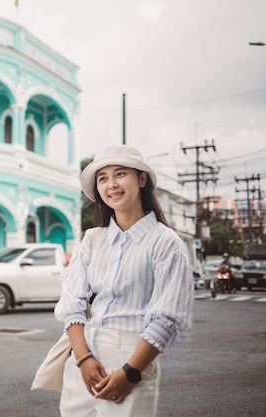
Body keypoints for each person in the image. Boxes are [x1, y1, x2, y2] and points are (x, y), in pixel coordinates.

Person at [54, 145, 194, 417]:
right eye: (103, 178)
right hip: (84, 361)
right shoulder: (93, 241)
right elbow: (72, 305)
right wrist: (83, 359)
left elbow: (165, 318)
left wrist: (130, 373)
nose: (111, 185)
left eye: (120, 174)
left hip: (132, 359)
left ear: (141, 180)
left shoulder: (166, 243)